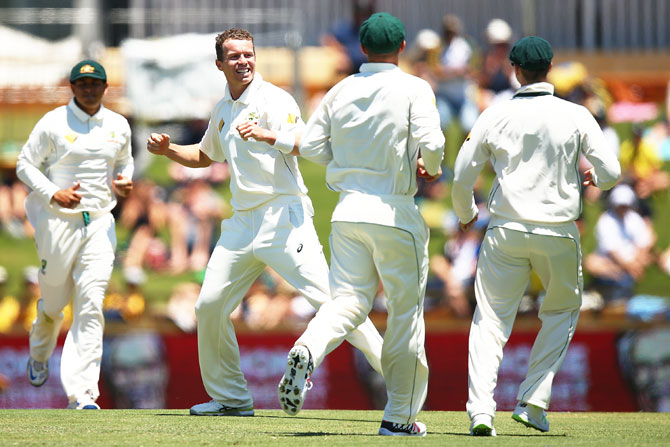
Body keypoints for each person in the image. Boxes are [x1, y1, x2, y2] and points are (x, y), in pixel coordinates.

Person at [146, 28, 383, 417]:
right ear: (219, 64)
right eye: (234, 56)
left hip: (284, 216)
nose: (243, 62)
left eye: (248, 55)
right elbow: (206, 156)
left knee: (332, 305)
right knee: (209, 306)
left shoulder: (274, 98)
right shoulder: (223, 108)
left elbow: (305, 142)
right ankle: (232, 399)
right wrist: (168, 148)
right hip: (242, 222)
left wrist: (265, 134)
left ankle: (399, 380)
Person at [277, 13, 445, 437]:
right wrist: (431, 165)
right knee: (405, 315)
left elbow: (313, 147)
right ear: (403, 47)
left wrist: (351, 162)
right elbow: (436, 142)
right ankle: (399, 418)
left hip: (347, 211)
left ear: (361, 49)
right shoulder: (413, 87)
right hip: (393, 211)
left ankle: (308, 347)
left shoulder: (341, 88)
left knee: (348, 301)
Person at [451, 37, 621, 436]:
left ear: (514, 68)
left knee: (490, 320)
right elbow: (611, 171)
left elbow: (462, 173)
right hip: (559, 232)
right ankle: (533, 400)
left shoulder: (495, 114)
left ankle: (480, 411)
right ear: (551, 67)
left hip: (505, 229)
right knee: (561, 312)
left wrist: (466, 213)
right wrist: (595, 179)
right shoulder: (575, 113)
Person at [15, 59, 134, 410]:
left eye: (95, 84)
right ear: (72, 87)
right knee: (53, 305)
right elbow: (25, 164)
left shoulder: (118, 124)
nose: (89, 89)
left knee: (91, 302)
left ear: (104, 87)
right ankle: (39, 352)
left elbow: (125, 162)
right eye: (83, 84)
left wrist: (124, 181)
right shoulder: (53, 122)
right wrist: (54, 193)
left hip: (99, 220)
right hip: (57, 221)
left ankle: (82, 393)